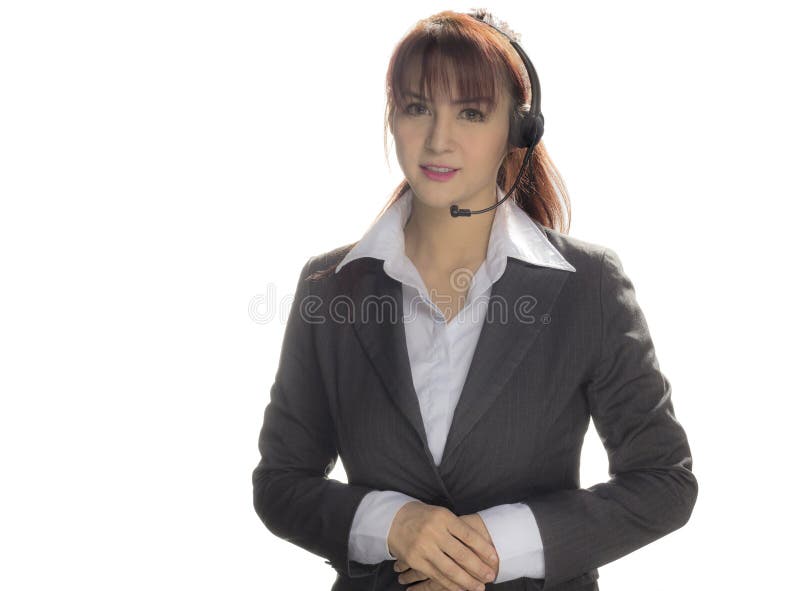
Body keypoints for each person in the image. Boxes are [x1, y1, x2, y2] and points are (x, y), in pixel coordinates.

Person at [252, 9, 698, 591]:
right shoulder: (330, 288)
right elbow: (281, 483)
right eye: (417, 108)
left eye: (470, 112)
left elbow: (664, 480)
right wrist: (391, 525)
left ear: (516, 129)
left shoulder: (588, 285)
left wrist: (497, 546)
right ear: (391, 118)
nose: (439, 139)